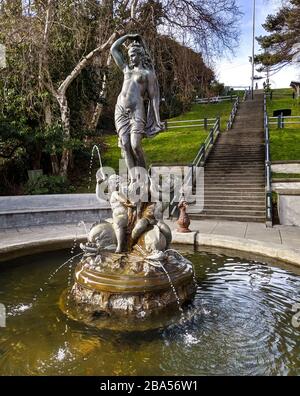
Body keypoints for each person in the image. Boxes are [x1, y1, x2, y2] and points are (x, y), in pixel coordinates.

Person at [110, 34, 165, 182]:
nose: (131, 58)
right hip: (120, 109)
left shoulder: (148, 74)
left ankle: (144, 177)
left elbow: (154, 98)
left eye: (134, 55)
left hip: (137, 111)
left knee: (135, 145)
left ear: (140, 55)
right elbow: (113, 49)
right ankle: (135, 181)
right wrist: (127, 36)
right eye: (130, 55)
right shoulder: (126, 69)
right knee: (125, 144)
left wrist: (158, 120)